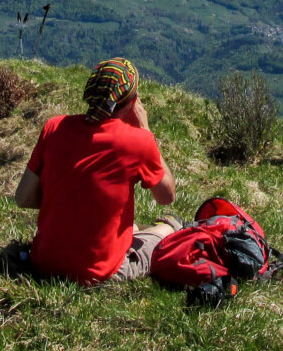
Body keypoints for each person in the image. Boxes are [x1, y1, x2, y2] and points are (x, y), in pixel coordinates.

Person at [15, 57, 180, 285]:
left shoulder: (54, 127)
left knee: (127, 227)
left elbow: (23, 198)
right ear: (131, 102)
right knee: (169, 229)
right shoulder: (138, 142)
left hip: (43, 262)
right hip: (97, 273)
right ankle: (163, 229)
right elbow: (166, 196)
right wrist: (146, 131)